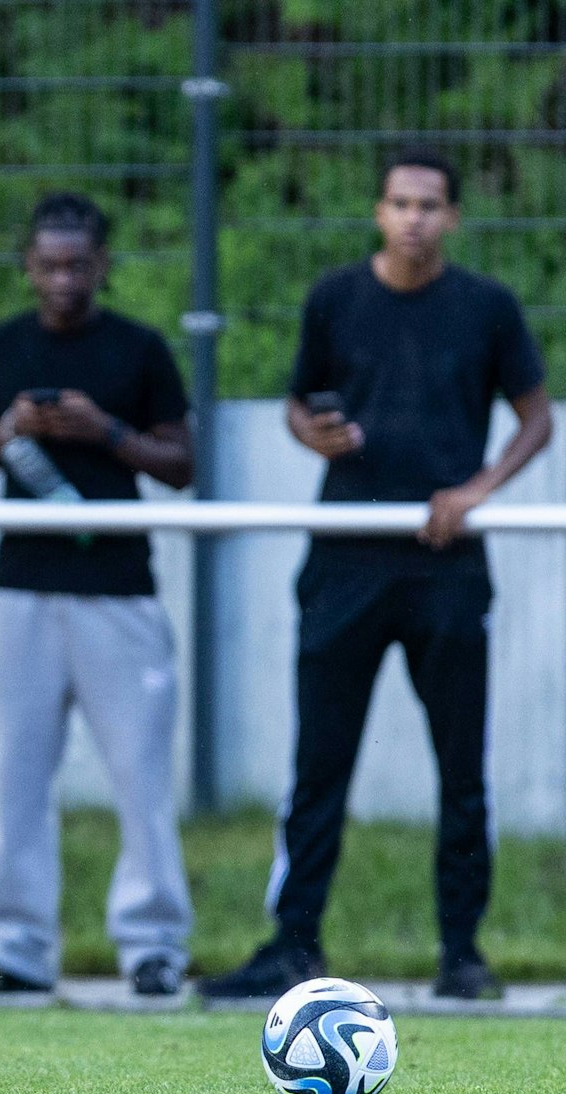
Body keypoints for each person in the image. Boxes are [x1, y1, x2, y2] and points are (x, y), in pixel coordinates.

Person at [200, 151, 551, 1002]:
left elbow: (536, 419)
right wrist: (305, 432)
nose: (413, 218)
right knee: (318, 766)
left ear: (453, 217)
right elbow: (297, 402)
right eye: (398, 203)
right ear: (377, 210)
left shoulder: (486, 308)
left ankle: (461, 954)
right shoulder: (335, 297)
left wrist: (472, 492)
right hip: (344, 561)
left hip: (446, 568)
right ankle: (291, 945)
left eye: (429, 204)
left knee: (460, 770)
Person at [0, 193, 197, 999]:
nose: (62, 279)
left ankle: (152, 946)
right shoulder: (1, 347)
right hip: (21, 590)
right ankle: (13, 946)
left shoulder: (140, 350)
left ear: (102, 266)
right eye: (48, 264)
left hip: (119, 593)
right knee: (16, 773)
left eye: (77, 265)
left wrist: (104, 432)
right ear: (27, 266)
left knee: (140, 776)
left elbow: (183, 465)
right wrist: (15, 426)